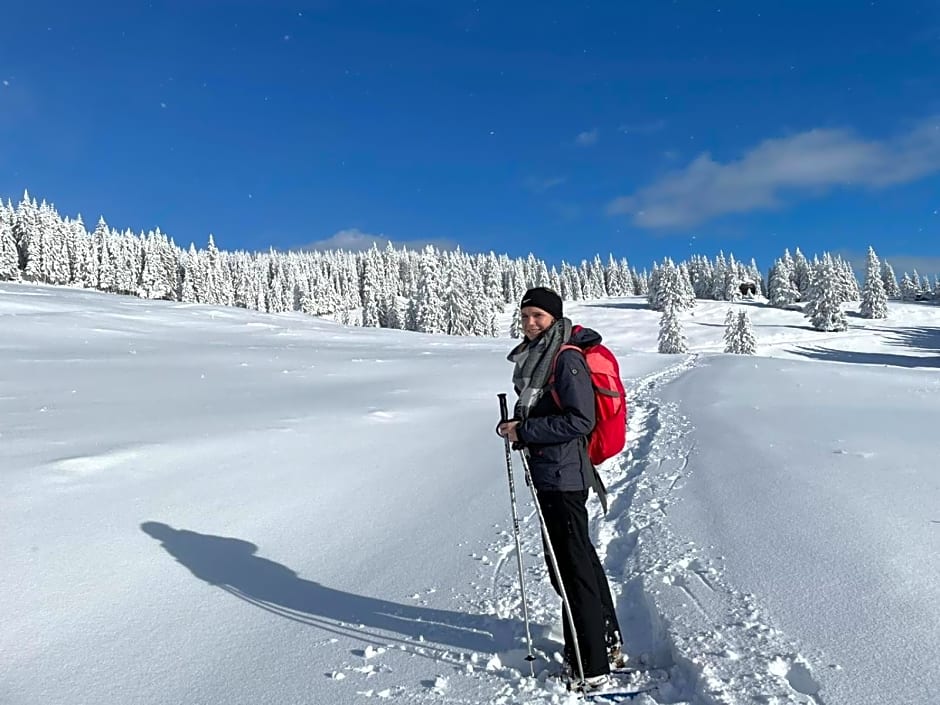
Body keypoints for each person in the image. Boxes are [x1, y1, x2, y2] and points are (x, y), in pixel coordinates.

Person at [497, 286, 622, 688]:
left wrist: (525, 430)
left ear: (554, 318)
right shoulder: (543, 356)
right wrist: (521, 429)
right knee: (579, 559)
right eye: (526, 316)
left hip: (563, 476)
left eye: (539, 316)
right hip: (554, 472)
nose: (531, 323)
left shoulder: (565, 359)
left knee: (569, 569)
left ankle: (591, 666)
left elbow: (579, 421)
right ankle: (606, 642)